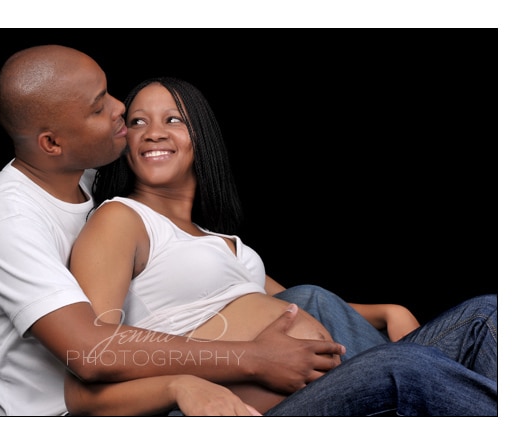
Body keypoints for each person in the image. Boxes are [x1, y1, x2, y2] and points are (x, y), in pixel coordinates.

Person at [0, 44, 353, 416]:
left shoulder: (88, 180)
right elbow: (89, 352)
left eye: (109, 92)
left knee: (314, 301)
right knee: (390, 371)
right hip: (69, 417)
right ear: (51, 143)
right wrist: (245, 361)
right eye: (99, 107)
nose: (119, 108)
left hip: (145, 393)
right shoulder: (8, 221)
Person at [63, 77, 497, 416]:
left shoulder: (222, 243)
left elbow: (299, 304)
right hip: (248, 412)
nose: (153, 133)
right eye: (138, 122)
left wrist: (388, 310)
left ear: (202, 135)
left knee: (486, 315)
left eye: (173, 119)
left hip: (333, 376)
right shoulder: (122, 218)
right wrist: (197, 379)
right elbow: (90, 359)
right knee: (406, 370)